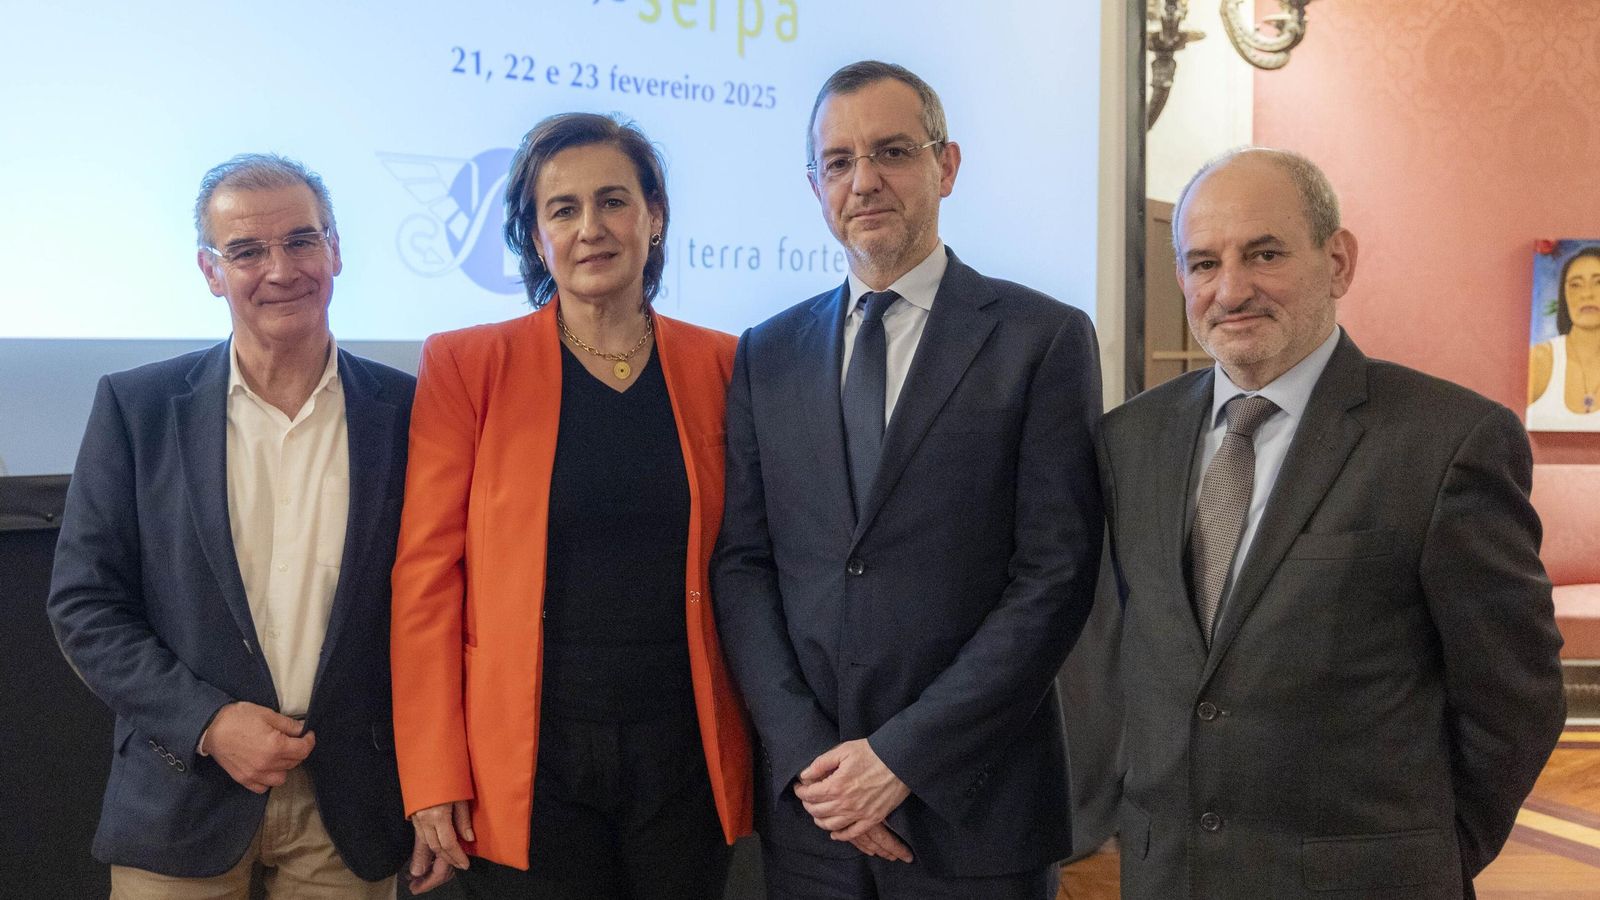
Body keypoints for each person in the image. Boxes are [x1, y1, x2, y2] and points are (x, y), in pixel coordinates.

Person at [1099, 147, 1566, 898]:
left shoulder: (1449, 440)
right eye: (1204, 263)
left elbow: (1515, 697)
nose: (1231, 289)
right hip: (1169, 878)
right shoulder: (1128, 440)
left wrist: (1434, 855)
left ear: (1338, 261)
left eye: (1265, 254)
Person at [712, 60, 1103, 899]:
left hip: (975, 813)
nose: (864, 182)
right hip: (815, 821)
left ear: (946, 166)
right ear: (815, 186)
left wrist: (900, 759)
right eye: (839, 162)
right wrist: (812, 758)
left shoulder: (1042, 339)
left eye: (891, 152)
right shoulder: (766, 354)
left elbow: (1055, 577)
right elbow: (743, 566)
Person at [390, 112, 753, 899]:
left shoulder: (726, 365)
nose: (591, 228)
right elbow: (426, 582)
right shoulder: (467, 365)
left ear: (654, 218)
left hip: (685, 753)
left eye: (613, 201)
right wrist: (431, 772)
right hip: (525, 757)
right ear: (535, 235)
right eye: (563, 209)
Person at [46, 154, 428, 897]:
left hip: (352, 804)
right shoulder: (137, 409)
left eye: (301, 241)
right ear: (211, 271)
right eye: (247, 251)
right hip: (181, 789)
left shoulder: (411, 411)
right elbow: (85, 606)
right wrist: (209, 723)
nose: (280, 270)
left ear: (336, 250)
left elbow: (439, 607)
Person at [1527, 245, 1600, 430]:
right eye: (1575, 284)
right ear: (1564, 294)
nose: (1587, 294)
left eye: (1599, 282)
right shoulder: (1541, 359)